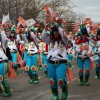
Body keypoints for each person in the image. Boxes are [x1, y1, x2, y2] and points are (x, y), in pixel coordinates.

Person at [42, 22, 68, 100]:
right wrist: (45, 29)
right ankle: (55, 94)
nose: (56, 33)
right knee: (52, 80)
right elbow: (43, 37)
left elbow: (63, 33)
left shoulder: (63, 40)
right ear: (52, 32)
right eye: (54, 31)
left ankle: (64, 90)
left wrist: (58, 26)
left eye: (57, 31)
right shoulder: (50, 40)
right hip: (51, 63)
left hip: (61, 63)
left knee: (61, 80)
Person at [0, 26, 12, 97]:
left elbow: (4, 39)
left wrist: (2, 30)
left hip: (2, 62)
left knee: (3, 78)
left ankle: (8, 91)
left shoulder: (2, 44)